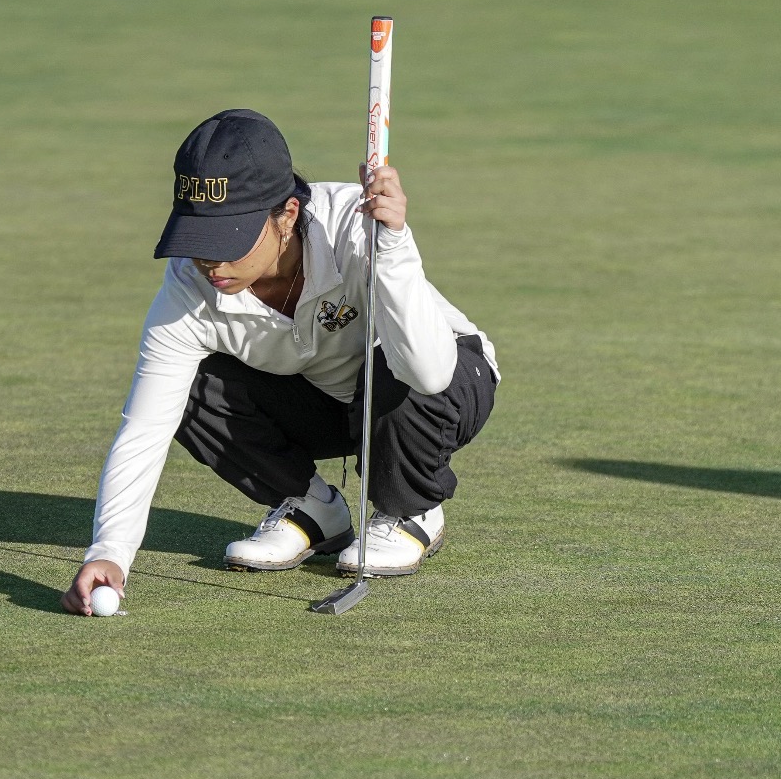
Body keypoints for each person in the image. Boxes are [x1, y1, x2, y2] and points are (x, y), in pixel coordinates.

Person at [63, 109, 499, 616]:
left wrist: (395, 245)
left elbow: (428, 372)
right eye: (199, 239)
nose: (212, 263)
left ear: (287, 214)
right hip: (323, 397)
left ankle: (410, 509)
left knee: (394, 363)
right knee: (189, 388)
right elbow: (144, 428)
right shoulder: (188, 285)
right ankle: (313, 509)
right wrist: (110, 552)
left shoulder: (357, 226)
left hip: (440, 379)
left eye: (229, 240)